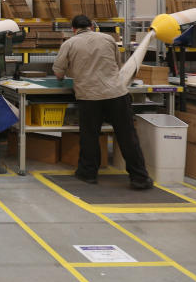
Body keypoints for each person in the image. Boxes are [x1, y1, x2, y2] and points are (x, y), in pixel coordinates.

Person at [53, 15, 153, 189]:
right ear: (92, 26)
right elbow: (117, 64)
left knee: (90, 137)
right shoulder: (108, 39)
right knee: (127, 137)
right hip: (117, 94)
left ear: (73, 29)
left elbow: (59, 73)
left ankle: (88, 174)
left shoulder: (69, 44)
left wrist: (71, 72)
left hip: (90, 97)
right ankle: (140, 178)